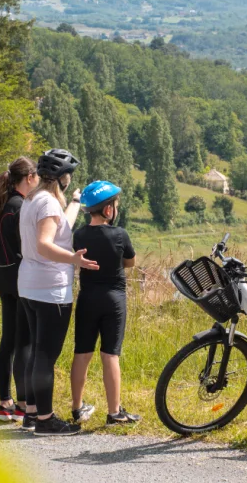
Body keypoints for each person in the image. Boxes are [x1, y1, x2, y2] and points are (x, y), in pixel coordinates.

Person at [18, 149, 99, 437]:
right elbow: (44, 244)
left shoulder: (33, 200)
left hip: (29, 285)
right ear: (62, 178)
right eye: (69, 177)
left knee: (36, 352)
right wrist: (73, 260)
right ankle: (46, 419)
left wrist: (75, 201)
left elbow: (59, 225)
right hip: (50, 288)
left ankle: (31, 414)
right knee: (45, 356)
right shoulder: (48, 204)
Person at [70, 180, 141, 426]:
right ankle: (114, 413)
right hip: (114, 299)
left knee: (82, 352)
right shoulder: (120, 234)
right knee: (110, 354)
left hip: (87, 298)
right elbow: (130, 262)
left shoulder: (78, 234)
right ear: (108, 210)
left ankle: (77, 408)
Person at [0, 157, 38, 422]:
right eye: (36, 175)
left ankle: (5, 402)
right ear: (29, 177)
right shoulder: (21, 207)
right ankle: (24, 403)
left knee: (8, 341)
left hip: (3, 279)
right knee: (24, 341)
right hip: (19, 281)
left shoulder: (4, 205)